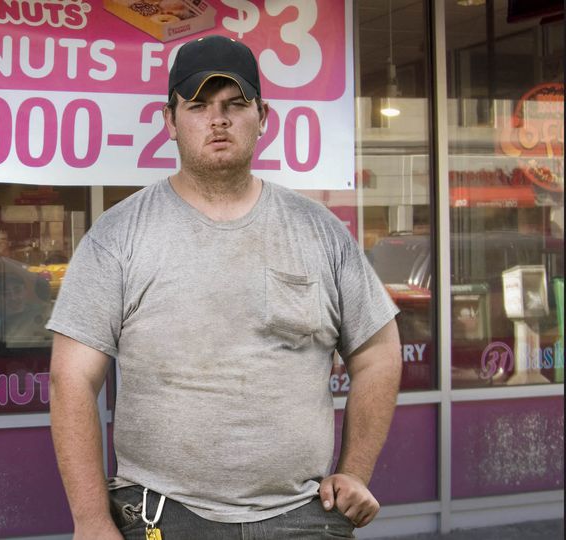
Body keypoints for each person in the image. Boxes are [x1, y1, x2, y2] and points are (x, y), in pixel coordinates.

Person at [47, 35, 402, 539]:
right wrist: (89, 521)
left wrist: (356, 471)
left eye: (235, 104)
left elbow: (378, 354)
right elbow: (72, 380)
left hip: (302, 514)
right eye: (198, 105)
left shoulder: (318, 231)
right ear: (170, 121)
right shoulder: (118, 236)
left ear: (263, 116)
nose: (218, 119)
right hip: (160, 516)